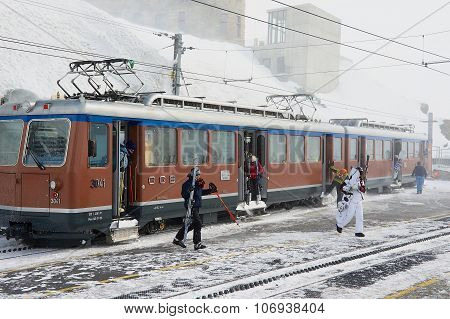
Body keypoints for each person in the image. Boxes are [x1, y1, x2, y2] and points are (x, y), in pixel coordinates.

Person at [173, 168, 218, 250]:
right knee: (198, 223)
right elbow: (184, 194)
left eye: (199, 175)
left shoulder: (197, 184)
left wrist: (210, 191)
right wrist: (189, 191)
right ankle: (197, 243)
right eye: (197, 175)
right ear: (193, 175)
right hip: (191, 206)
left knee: (192, 224)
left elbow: (199, 193)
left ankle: (177, 239)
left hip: (196, 206)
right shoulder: (187, 184)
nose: (198, 176)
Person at [336, 166, 366, 237]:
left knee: (360, 217)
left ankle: (359, 231)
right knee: (348, 216)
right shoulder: (348, 181)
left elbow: (364, 190)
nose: (360, 174)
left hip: (359, 201)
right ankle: (339, 225)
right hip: (351, 201)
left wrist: (358, 188)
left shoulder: (361, 181)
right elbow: (342, 188)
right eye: (359, 173)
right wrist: (349, 188)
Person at [119, 140, 136, 213]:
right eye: (132, 149)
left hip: (121, 173)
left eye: (133, 150)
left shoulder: (124, 153)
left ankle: (119, 205)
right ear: (128, 148)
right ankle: (118, 207)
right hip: (119, 174)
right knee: (120, 188)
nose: (133, 151)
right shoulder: (122, 153)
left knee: (121, 188)